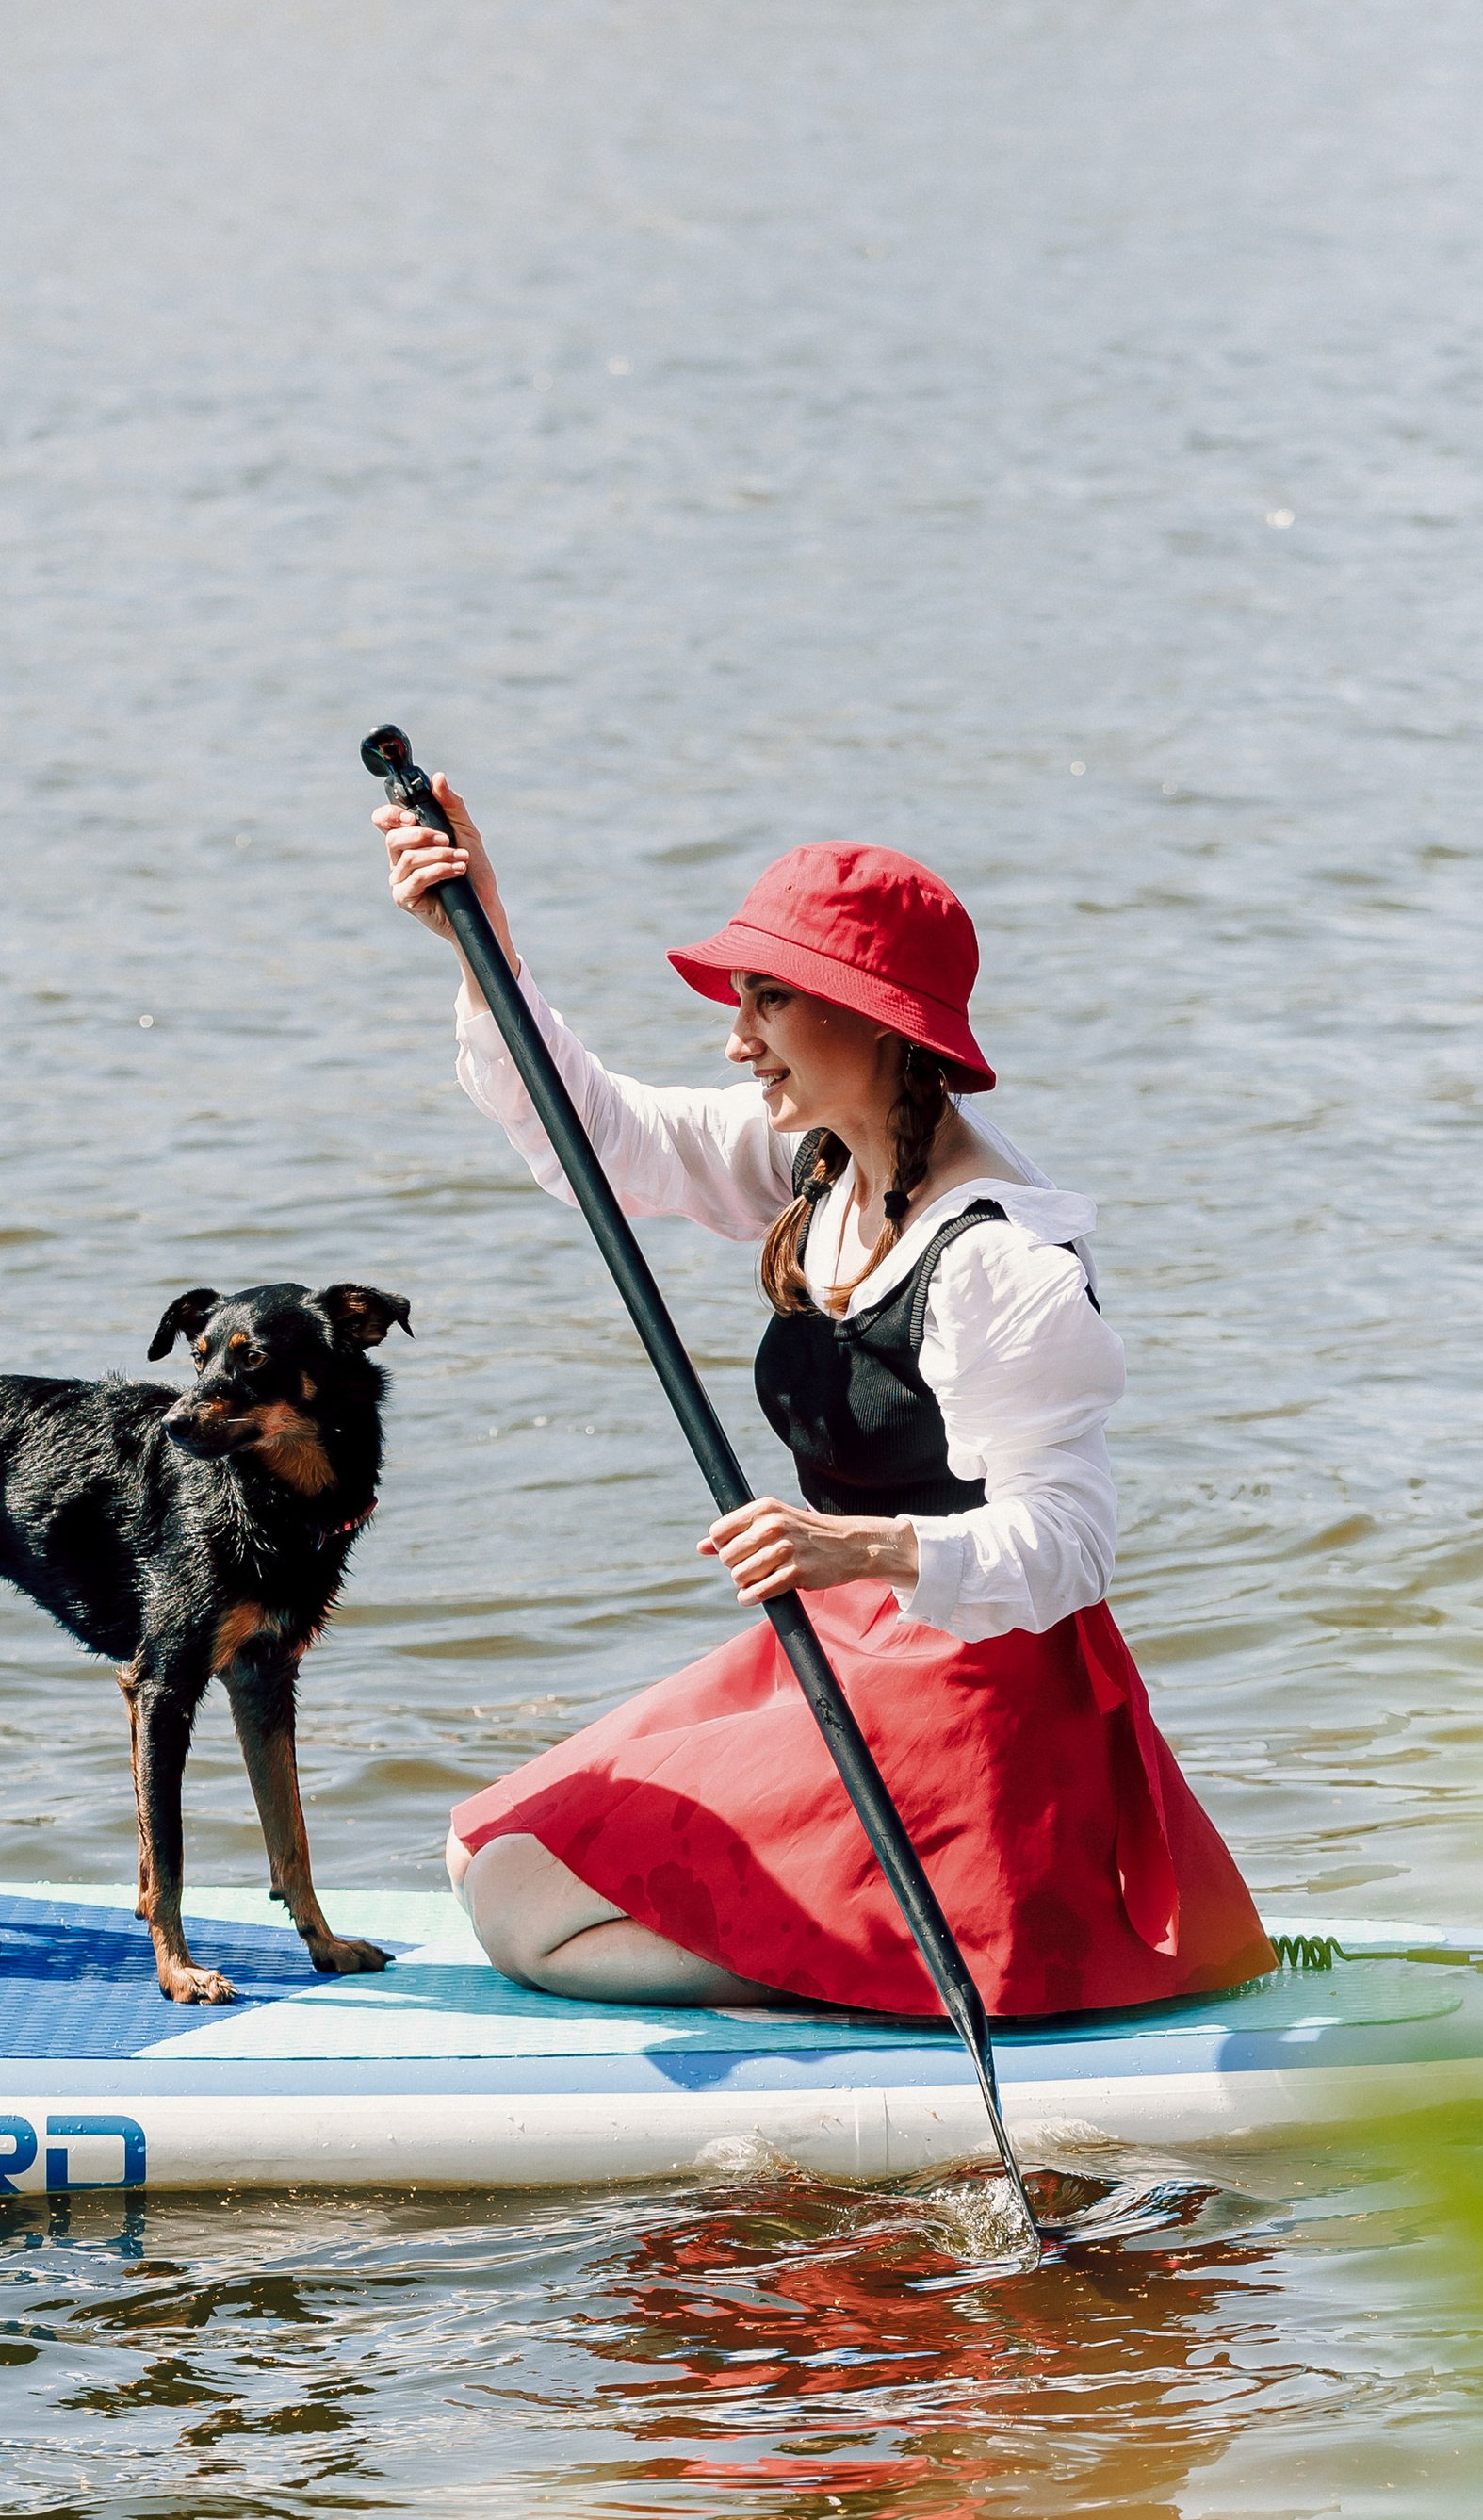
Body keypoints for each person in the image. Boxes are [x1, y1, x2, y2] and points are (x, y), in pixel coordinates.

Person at [373, 775, 1276, 2021]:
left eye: (770, 1001)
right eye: (743, 1001)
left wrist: (844, 1544)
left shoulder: (999, 1261)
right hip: (849, 1646)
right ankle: (842, 1949)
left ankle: (871, 1974)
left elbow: (1069, 1546)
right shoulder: (823, 1160)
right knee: (488, 1852)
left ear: (877, 1024)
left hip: (978, 1695)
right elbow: (606, 1142)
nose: (738, 1040)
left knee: (529, 1914)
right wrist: (486, 941)